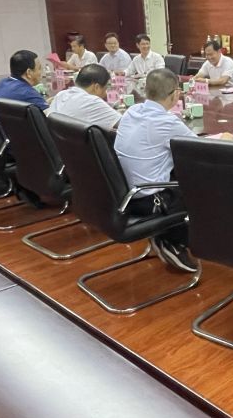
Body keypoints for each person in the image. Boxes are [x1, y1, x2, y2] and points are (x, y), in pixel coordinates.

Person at [114, 68, 197, 273]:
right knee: (200, 183)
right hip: (149, 201)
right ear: (176, 94)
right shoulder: (166, 122)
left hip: (122, 195)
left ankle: (163, 236)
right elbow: (199, 151)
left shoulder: (132, 111)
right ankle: (173, 242)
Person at [47, 63, 121, 131]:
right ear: (96, 87)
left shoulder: (60, 95)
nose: (105, 94)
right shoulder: (92, 102)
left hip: (56, 140)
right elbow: (123, 123)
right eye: (105, 89)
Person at [0, 50, 48, 115]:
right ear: (29, 73)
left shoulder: (2, 83)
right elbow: (49, 115)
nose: (42, 71)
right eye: (39, 68)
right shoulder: (28, 93)